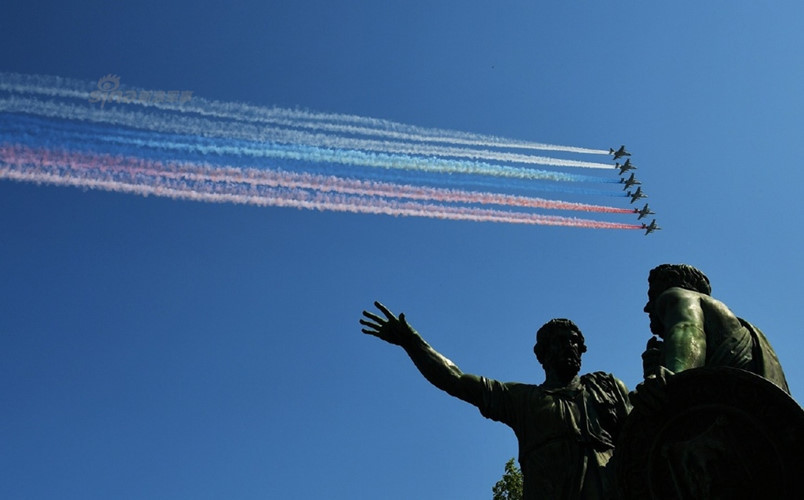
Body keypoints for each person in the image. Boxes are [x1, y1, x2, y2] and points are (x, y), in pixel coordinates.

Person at [361, 302, 631, 500]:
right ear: (542, 354)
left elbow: (642, 435)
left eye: (575, 342)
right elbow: (454, 379)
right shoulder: (523, 400)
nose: (571, 347)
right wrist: (412, 342)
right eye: (561, 341)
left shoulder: (605, 387)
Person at [639, 263, 789, 393]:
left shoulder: (677, 295)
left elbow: (688, 328)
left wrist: (674, 378)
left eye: (652, 296)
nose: (647, 308)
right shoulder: (727, 322)